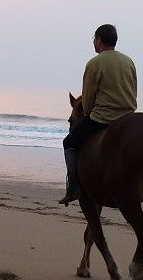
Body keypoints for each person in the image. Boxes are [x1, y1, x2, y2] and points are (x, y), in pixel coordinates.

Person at [59, 24, 138, 205]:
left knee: (69, 142)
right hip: (128, 117)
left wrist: (89, 112)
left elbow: (87, 100)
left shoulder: (94, 64)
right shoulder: (129, 61)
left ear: (99, 40)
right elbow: (133, 90)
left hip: (103, 118)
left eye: (94, 39)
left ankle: (73, 188)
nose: (94, 42)